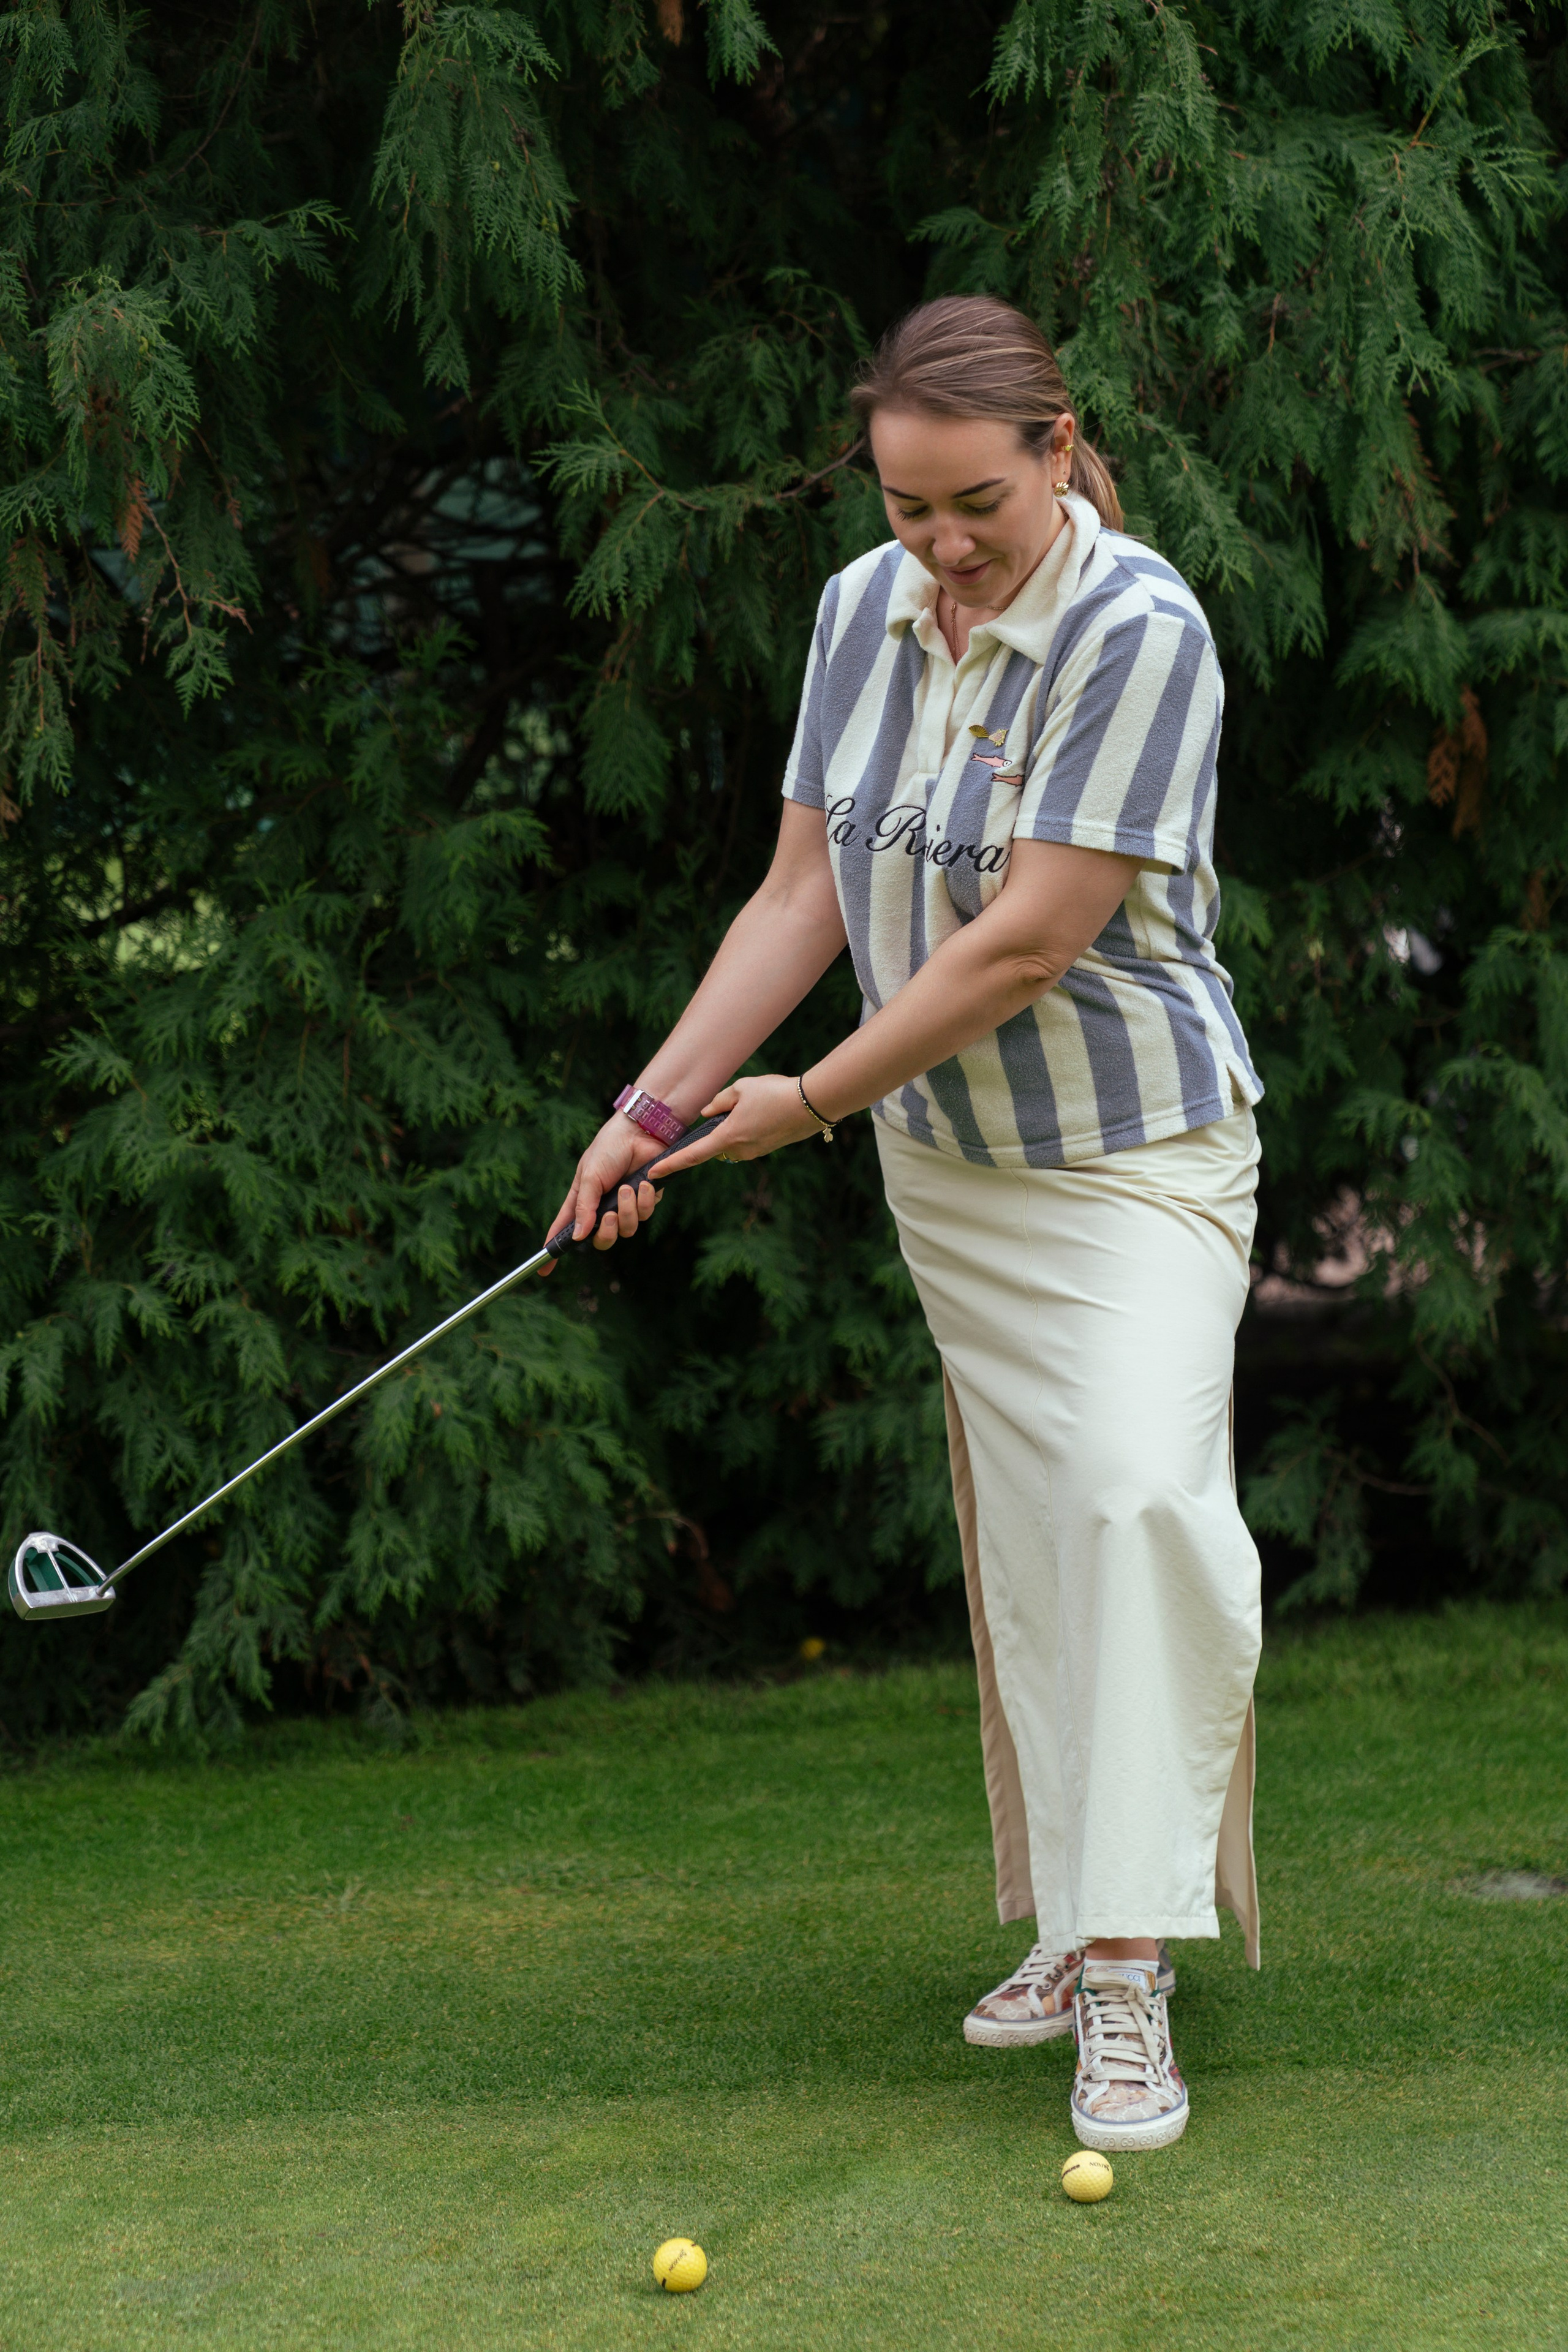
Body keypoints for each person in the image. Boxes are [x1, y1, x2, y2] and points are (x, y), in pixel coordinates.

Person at [548, 294, 1264, 2155]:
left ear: (1058, 446)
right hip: (951, 1167)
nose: (941, 549)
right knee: (1035, 1540)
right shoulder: (861, 613)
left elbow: (1031, 936)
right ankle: (1070, 1928)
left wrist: (806, 1103)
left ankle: (1131, 1972)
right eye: (904, 508)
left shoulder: (1140, 628)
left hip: (1137, 1155)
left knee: (1134, 1498)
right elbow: (800, 893)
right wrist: (650, 1106)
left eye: (975, 508)